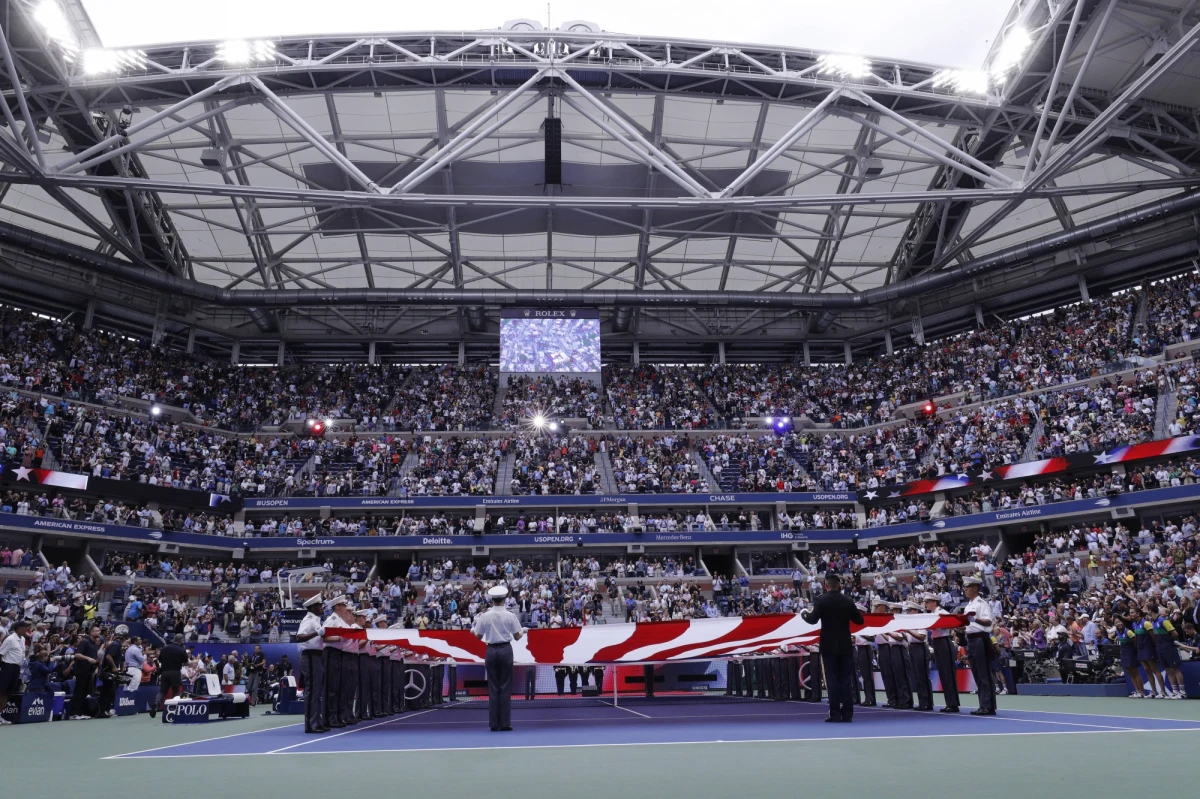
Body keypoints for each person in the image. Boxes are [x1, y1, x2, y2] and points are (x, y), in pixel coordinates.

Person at [800, 571, 863, 723]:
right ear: (839, 585)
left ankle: (834, 713)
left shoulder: (821, 600)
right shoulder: (847, 600)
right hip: (845, 644)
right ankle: (847, 714)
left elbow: (813, 620)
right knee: (846, 680)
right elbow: (859, 620)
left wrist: (804, 614)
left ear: (826, 586)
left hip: (828, 645)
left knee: (832, 680)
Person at [471, 584, 524, 732]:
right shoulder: (510, 615)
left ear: (492, 599)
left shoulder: (485, 616)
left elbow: (478, 636)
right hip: (506, 650)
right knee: (505, 686)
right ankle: (505, 723)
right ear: (505, 599)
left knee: (493, 687)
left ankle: (494, 724)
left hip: (491, 650)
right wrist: (523, 631)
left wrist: (472, 631)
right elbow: (517, 636)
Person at [962, 577, 997, 716]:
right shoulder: (969, 605)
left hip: (980, 639)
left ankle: (988, 706)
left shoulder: (981, 604)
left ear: (975, 588)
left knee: (983, 673)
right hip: (971, 639)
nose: (965, 590)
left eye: (967, 587)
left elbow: (988, 622)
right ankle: (983, 704)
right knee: (977, 673)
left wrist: (974, 619)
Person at [923, 593, 960, 713]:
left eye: (928, 602)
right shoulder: (932, 614)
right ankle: (949, 702)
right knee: (943, 674)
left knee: (948, 673)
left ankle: (953, 703)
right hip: (937, 642)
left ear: (934, 602)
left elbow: (950, 624)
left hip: (944, 641)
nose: (926, 604)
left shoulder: (942, 612)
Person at [296, 595, 327, 733]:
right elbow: (298, 637)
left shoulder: (316, 620)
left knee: (317, 691)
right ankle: (310, 724)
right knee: (312, 691)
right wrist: (316, 633)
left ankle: (317, 721)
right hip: (310, 656)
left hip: (317, 656)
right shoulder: (308, 620)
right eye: (319, 606)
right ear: (313, 607)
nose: (322, 608)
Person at [903, 602, 934, 711]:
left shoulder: (921, 621)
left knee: (922, 676)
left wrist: (908, 631)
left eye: (909, 610)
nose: (908, 613)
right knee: (916, 676)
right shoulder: (911, 623)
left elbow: (921, 636)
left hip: (920, 648)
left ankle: (927, 702)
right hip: (912, 647)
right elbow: (909, 638)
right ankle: (922, 702)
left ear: (916, 611)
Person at [151, 633, 188, 719]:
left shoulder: (165, 648)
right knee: (176, 691)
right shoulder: (181, 649)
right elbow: (185, 663)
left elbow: (160, 659)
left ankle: (156, 703)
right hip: (175, 672)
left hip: (165, 672)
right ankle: (173, 709)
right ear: (181, 640)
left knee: (162, 691)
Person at [0, 620, 29, 725]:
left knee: (8, 693)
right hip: (7, 667)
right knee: (1, 691)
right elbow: (1, 653)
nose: (26, 630)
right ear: (19, 629)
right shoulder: (10, 639)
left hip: (17, 668)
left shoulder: (23, 639)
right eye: (25, 628)